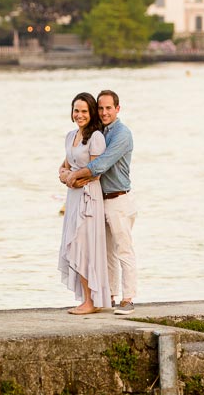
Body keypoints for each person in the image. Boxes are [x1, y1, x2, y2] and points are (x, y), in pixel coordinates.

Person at [66, 90, 136, 315]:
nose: (104, 112)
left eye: (109, 108)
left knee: (123, 249)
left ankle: (128, 298)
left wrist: (73, 177)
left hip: (118, 198)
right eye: (101, 108)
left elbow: (100, 165)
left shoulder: (122, 134)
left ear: (118, 109)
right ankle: (110, 296)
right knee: (106, 253)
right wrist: (66, 173)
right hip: (98, 200)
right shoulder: (98, 132)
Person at [57, 92, 112, 315]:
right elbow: (64, 165)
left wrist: (73, 179)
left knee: (86, 246)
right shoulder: (71, 136)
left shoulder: (96, 137)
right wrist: (63, 175)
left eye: (84, 111)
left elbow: (96, 173)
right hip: (73, 197)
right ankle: (84, 299)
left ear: (91, 114)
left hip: (89, 196)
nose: (79, 115)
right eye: (76, 110)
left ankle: (91, 300)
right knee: (75, 244)